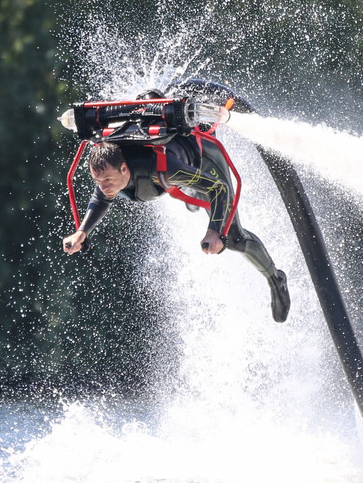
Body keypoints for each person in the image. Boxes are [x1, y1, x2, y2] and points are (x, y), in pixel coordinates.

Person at [62, 93, 290, 323]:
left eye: (107, 181)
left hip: (205, 162)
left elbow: (218, 188)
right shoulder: (108, 175)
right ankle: (193, 198)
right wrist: (82, 231)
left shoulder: (163, 169)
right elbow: (101, 200)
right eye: (98, 181)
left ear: (123, 169)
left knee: (233, 238)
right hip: (182, 176)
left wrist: (214, 231)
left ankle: (276, 279)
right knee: (189, 194)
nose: (103, 187)